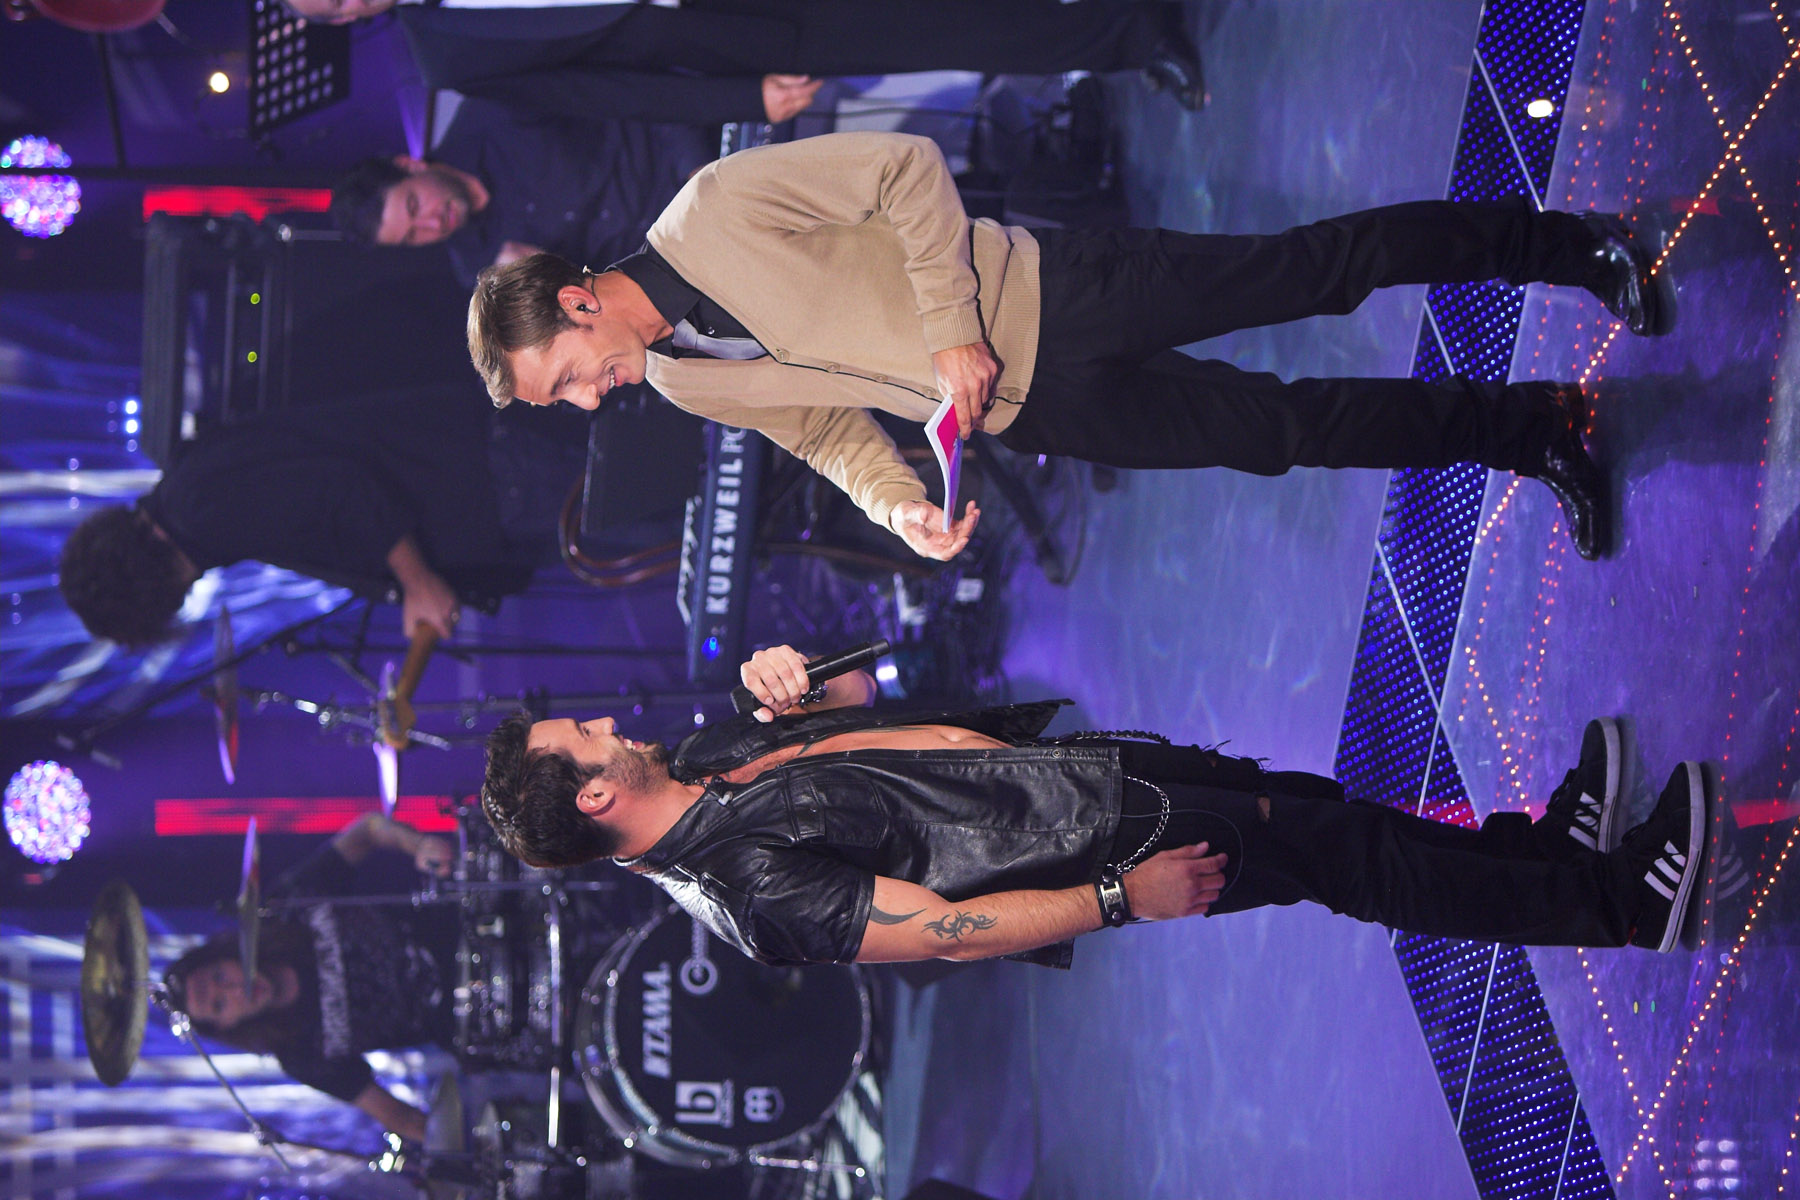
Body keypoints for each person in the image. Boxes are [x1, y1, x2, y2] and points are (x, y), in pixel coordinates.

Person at [467, 132, 1678, 563]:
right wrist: (897, 509)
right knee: (1287, 433)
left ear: (576, 302)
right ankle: (1531, 430)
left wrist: (951, 328)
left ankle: (1568, 244)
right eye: (563, 400)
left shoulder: (713, 208)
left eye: (568, 378)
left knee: (1317, 269)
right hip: (1036, 412)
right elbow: (827, 432)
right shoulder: (681, 379)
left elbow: (906, 171)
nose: (590, 400)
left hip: (1068, 294)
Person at [478, 646, 1711, 968]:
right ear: (594, 793)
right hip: (1097, 841)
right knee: (1350, 860)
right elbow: (937, 931)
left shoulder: (703, 753)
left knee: (1323, 811)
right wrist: (1121, 900)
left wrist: (811, 687)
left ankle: (1546, 858)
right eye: (584, 738)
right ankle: (1615, 906)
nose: (605, 721)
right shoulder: (746, 893)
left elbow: (870, 728)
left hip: (1078, 774)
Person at [58, 392, 534, 648]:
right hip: (477, 471)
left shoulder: (200, 512)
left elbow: (341, 488)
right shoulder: (187, 490)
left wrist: (418, 582)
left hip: (484, 479)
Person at [286, 0, 1207, 126]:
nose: (347, 0)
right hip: (733, 32)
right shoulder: (444, 55)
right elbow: (600, 93)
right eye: (332, 8)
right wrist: (741, 98)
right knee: (946, 31)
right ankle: (1135, 38)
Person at [164, 813, 458, 1140]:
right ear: (227, 1026)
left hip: (462, 921)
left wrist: (418, 844)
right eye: (219, 1005)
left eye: (220, 976)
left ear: (226, 953)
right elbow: (400, 1118)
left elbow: (368, 830)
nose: (234, 990)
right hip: (470, 1019)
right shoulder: (299, 1055)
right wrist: (453, 1146)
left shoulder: (286, 908)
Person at [330, 98, 712, 288]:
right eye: (414, 235)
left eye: (415, 206)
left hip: (698, 162)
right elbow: (602, 300)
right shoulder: (479, 267)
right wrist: (553, 277)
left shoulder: (491, 111)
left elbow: (622, 92)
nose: (432, 224)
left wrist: (698, 173)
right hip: (683, 262)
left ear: (410, 166)